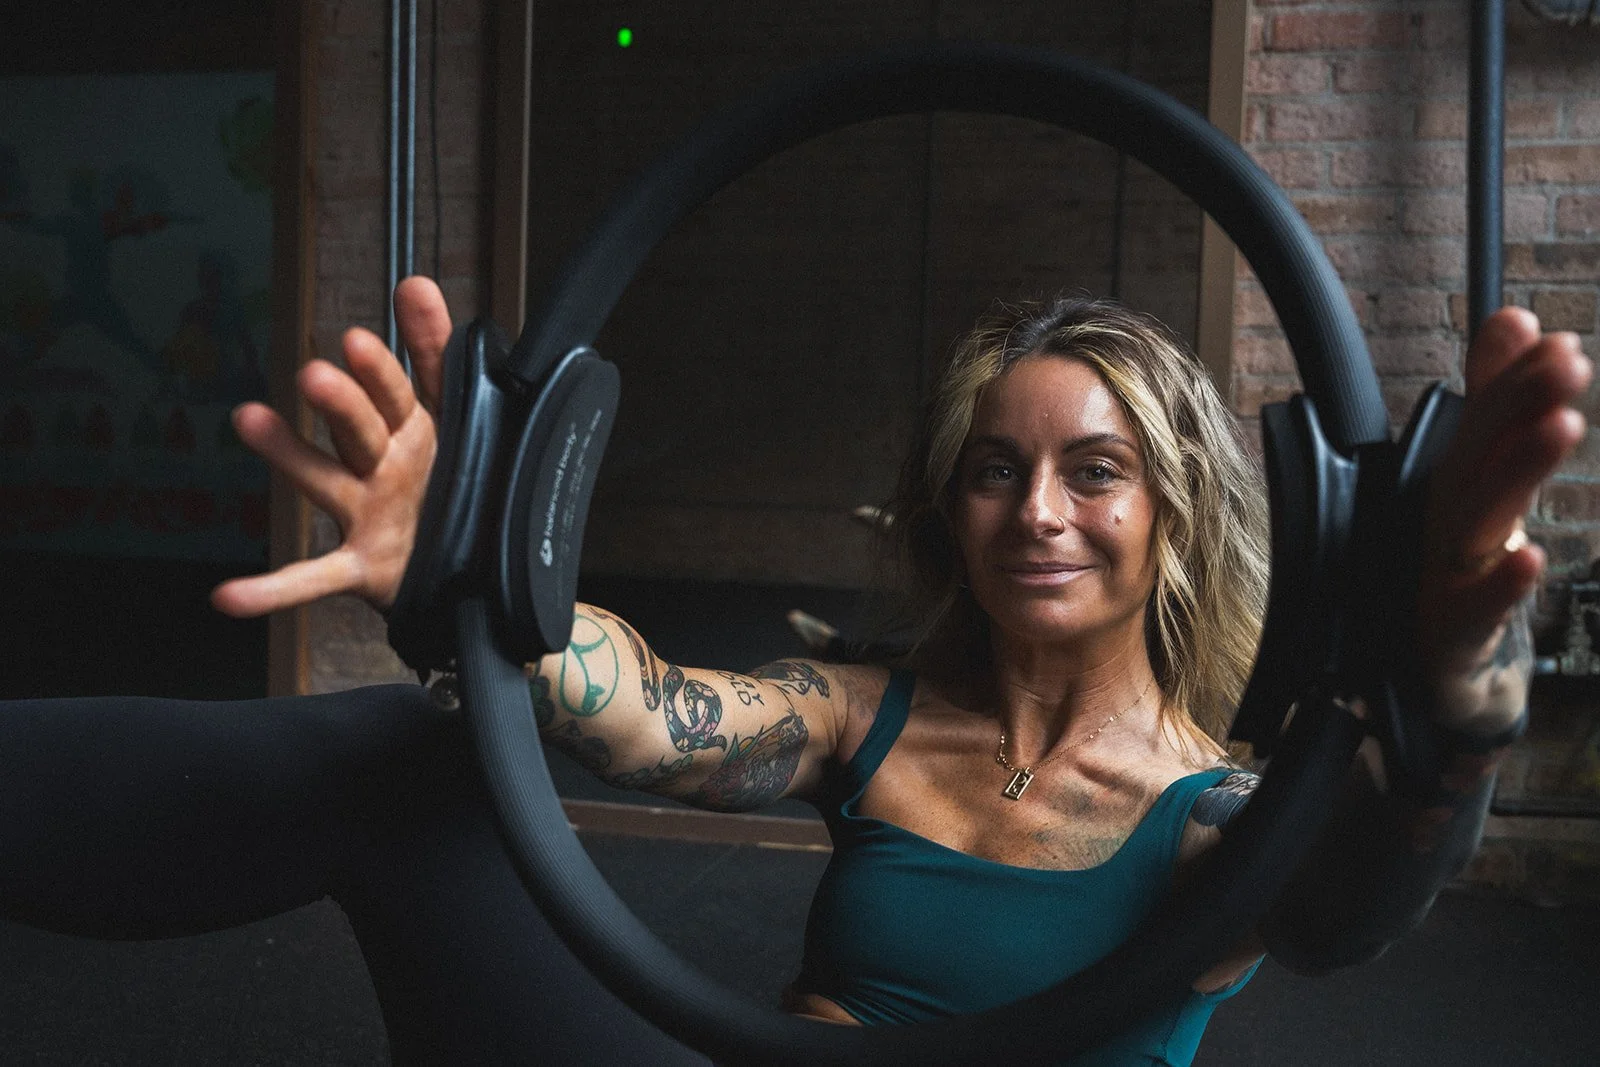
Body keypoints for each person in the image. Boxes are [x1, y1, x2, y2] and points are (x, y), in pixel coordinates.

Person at [3, 275, 1589, 1065]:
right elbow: (644, 713)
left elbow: (1347, 897)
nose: (1039, 509)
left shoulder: (1212, 819)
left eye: (1096, 470)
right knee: (418, 752)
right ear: (951, 508)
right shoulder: (868, 715)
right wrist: (469, 583)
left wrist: (1461, 685)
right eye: (996, 468)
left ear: (1171, 516)